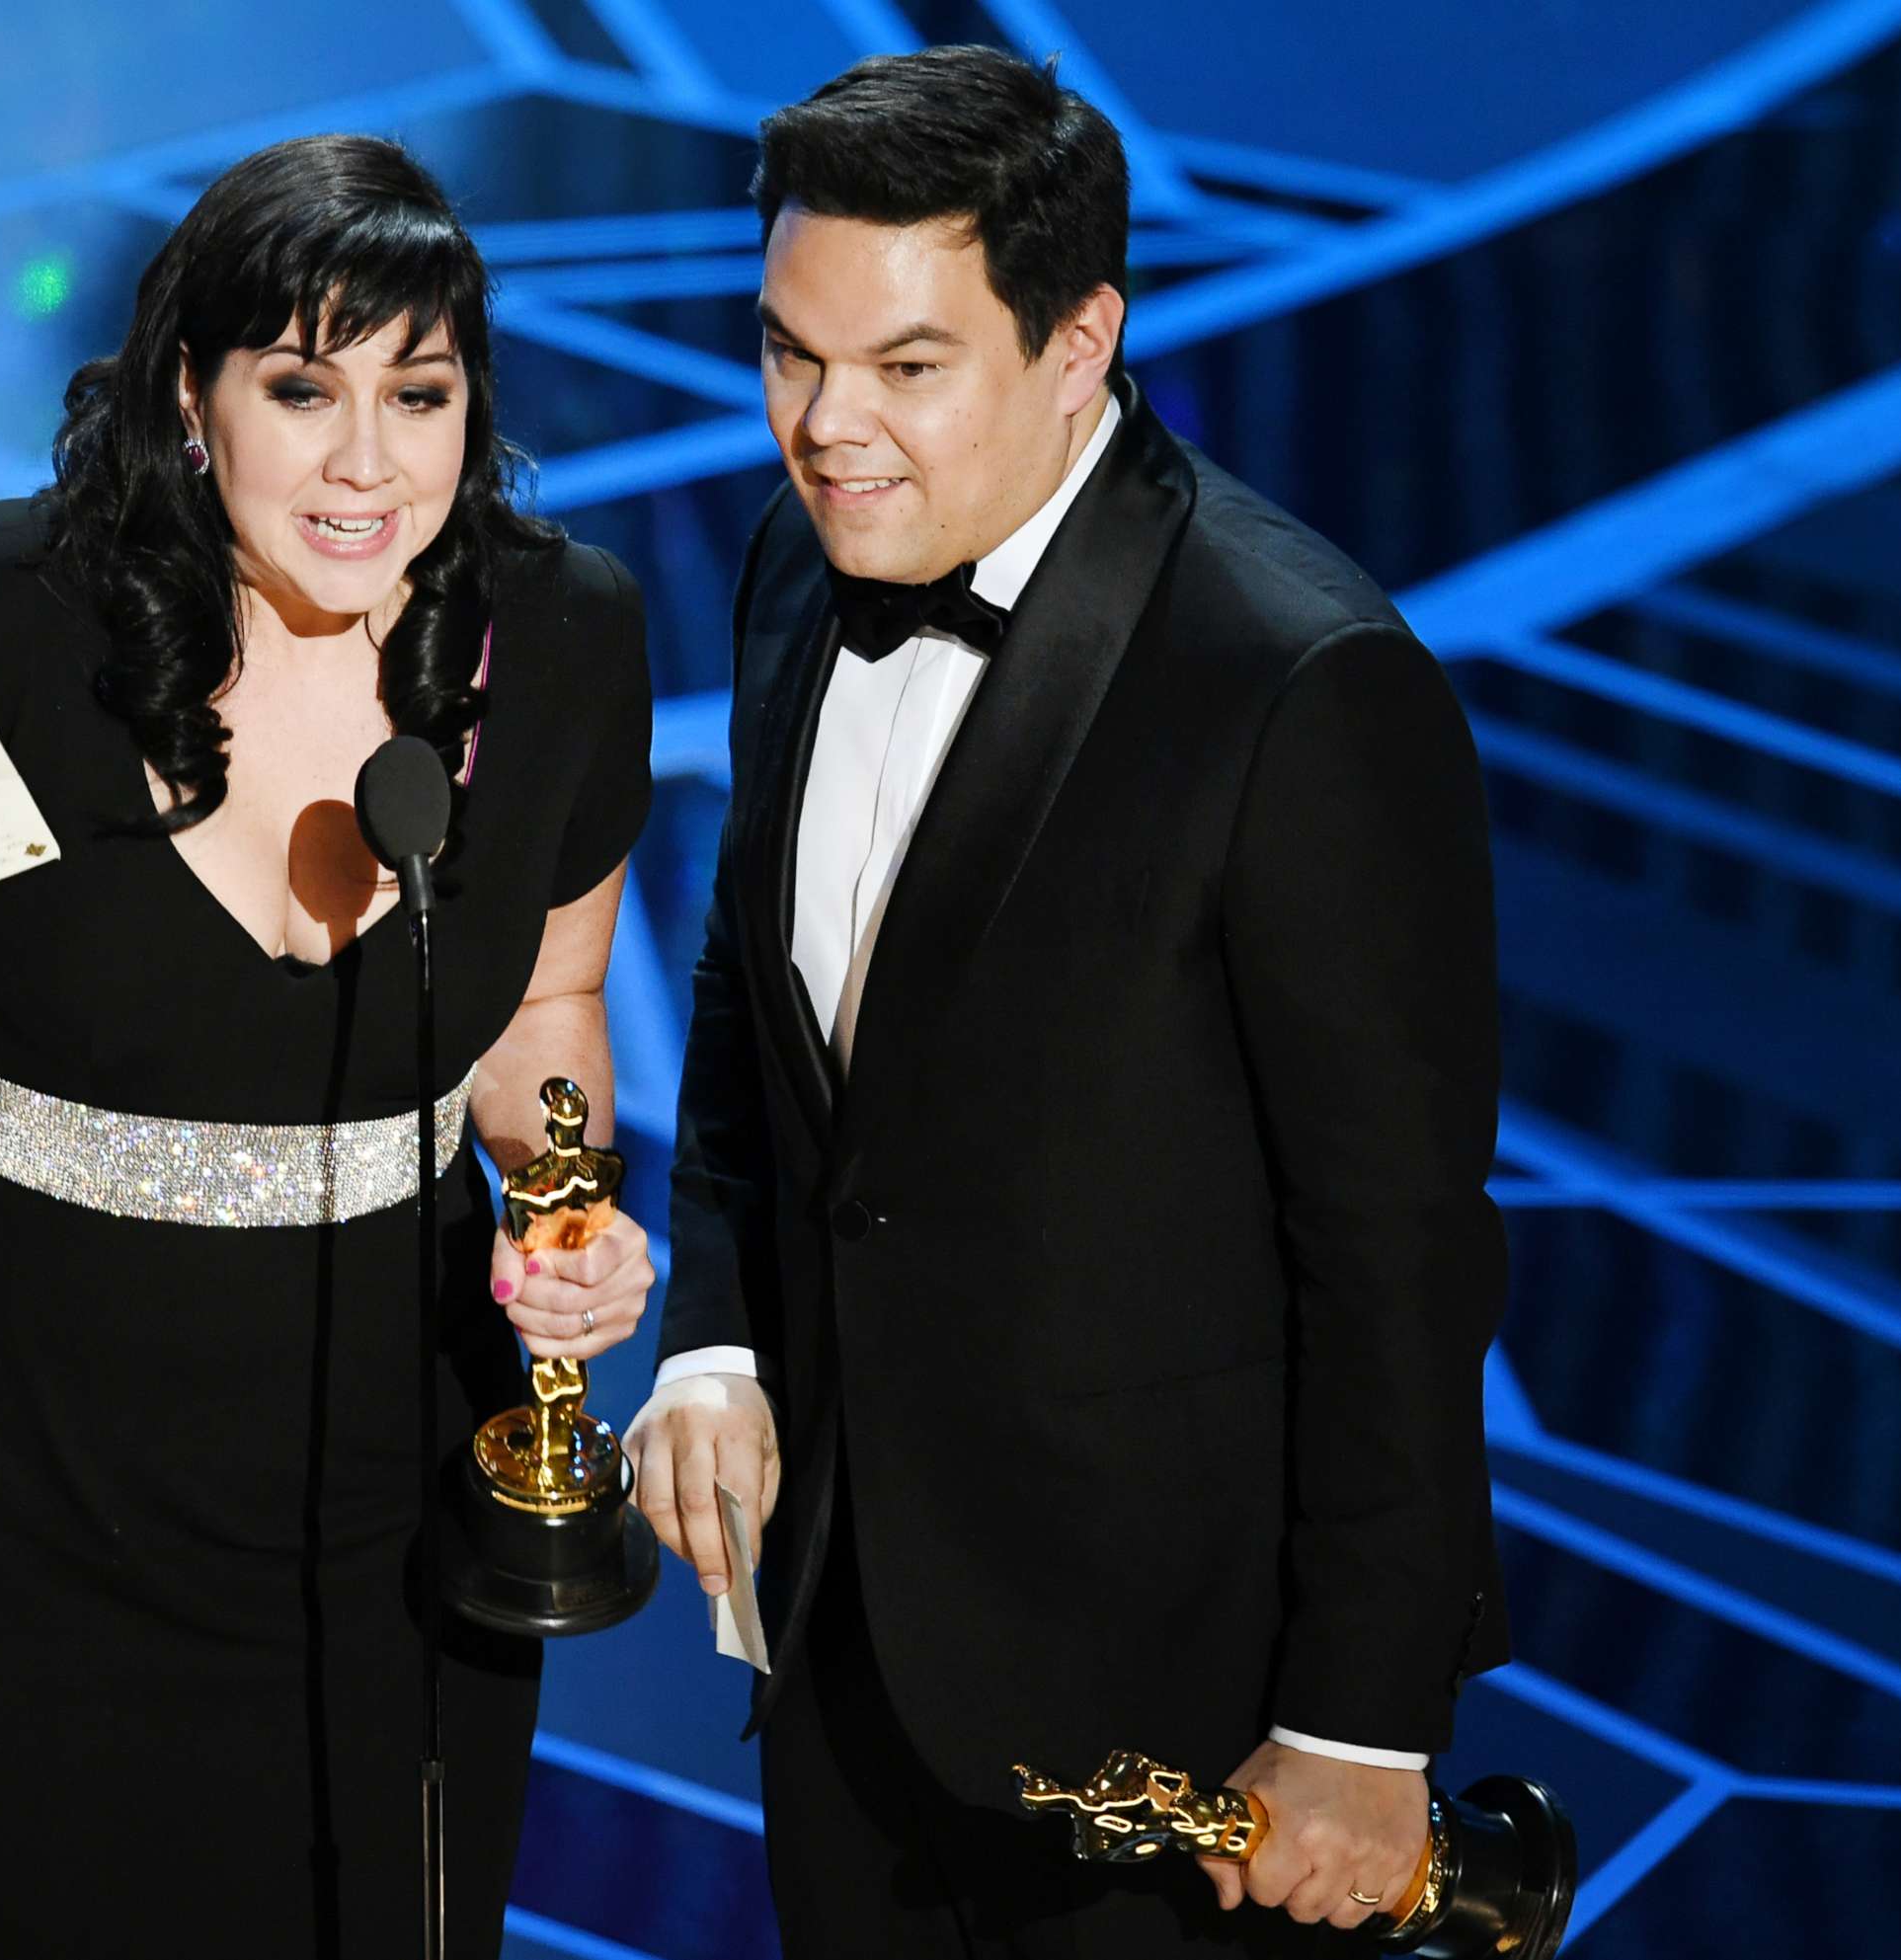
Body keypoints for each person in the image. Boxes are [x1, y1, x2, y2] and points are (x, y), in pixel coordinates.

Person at [0, 134, 657, 1957]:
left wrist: (561, 1212)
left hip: (391, 1490)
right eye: (303, 389)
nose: (369, 460)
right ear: (191, 397)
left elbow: (544, 1010)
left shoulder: (559, 635)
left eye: (421, 391)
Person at [627, 46, 1507, 1958]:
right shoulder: (799, 560)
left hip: (1184, 1739)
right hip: (845, 1670)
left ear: (1080, 339)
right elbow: (750, 992)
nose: (822, 427)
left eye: (905, 367)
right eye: (787, 352)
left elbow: (1400, 1254)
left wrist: (1356, 1723)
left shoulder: (1299, 684)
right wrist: (713, 1336)